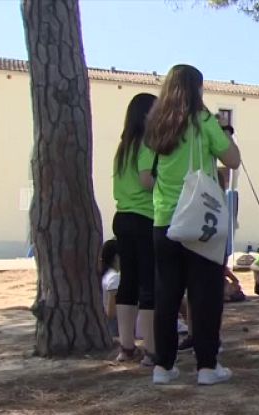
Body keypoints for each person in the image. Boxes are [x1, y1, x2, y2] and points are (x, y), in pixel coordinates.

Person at [145, 64, 241, 385]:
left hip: (164, 220)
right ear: (196, 89)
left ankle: (163, 366)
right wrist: (224, 135)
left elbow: (148, 174)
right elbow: (232, 160)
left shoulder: (155, 125)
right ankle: (207, 367)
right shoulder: (203, 121)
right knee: (205, 295)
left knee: (167, 296)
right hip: (199, 220)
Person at [111, 92, 158, 365]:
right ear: (145, 115)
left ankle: (126, 347)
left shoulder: (123, 147)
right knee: (149, 283)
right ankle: (151, 349)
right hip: (145, 217)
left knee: (127, 281)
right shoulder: (147, 144)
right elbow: (146, 180)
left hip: (123, 216)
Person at [100, 239, 120, 337]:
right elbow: (111, 312)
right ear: (116, 257)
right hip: (113, 328)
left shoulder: (104, 276)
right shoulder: (114, 277)